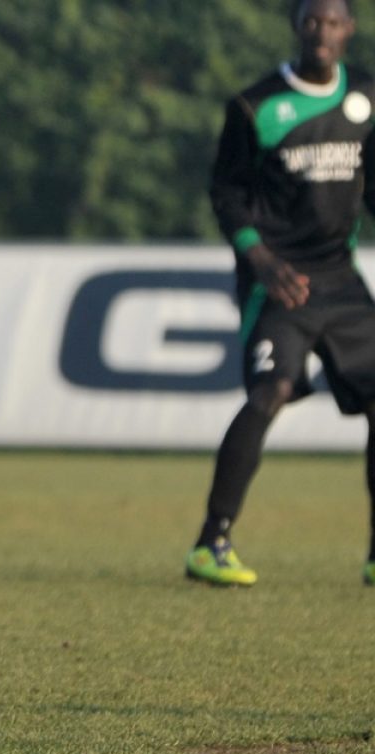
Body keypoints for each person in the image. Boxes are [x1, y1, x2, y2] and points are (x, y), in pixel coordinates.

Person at [186, 0, 375, 586]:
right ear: (297, 27)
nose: (322, 31)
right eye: (311, 20)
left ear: (350, 30)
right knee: (271, 392)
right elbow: (227, 193)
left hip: (340, 280)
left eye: (334, 21)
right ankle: (210, 544)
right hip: (280, 281)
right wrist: (260, 258)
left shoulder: (367, 99)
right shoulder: (255, 105)